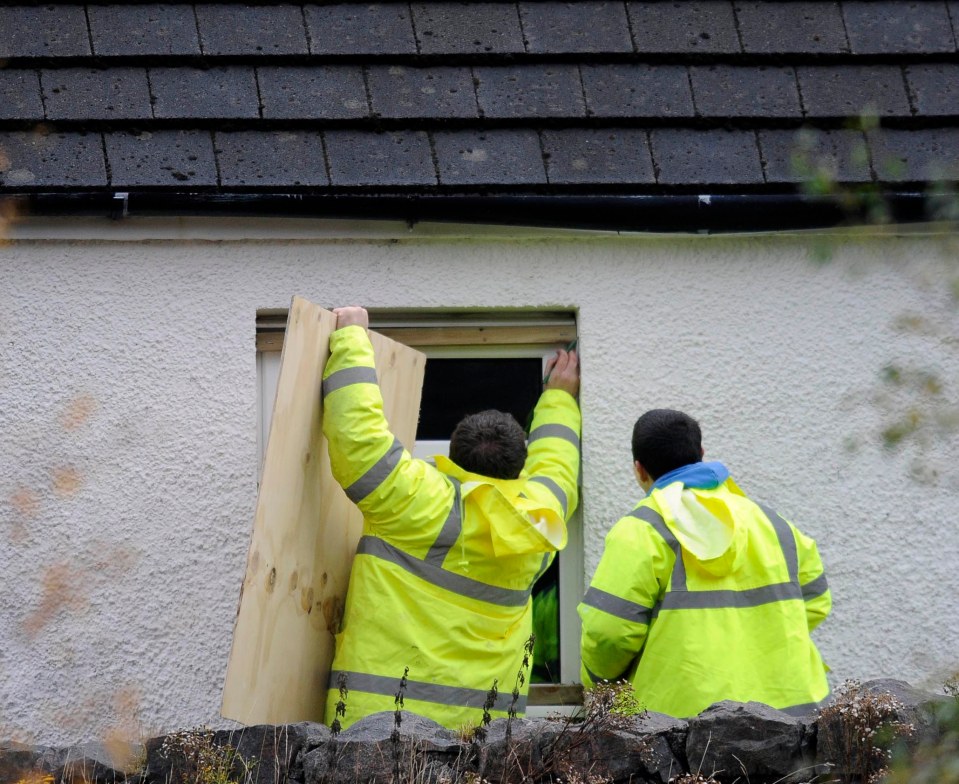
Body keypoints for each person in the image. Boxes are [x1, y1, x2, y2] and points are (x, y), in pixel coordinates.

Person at [322, 306, 581, 730]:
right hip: (484, 738)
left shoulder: (416, 500)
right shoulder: (539, 522)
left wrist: (351, 338)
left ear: (450, 457)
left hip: (374, 730)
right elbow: (558, 468)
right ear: (520, 468)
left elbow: (358, 437)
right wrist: (559, 398)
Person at [578, 408, 831, 718]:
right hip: (789, 723)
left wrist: (600, 686)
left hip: (682, 733)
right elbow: (816, 602)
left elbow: (609, 634)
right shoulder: (772, 524)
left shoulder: (642, 530)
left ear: (639, 470)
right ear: (701, 453)